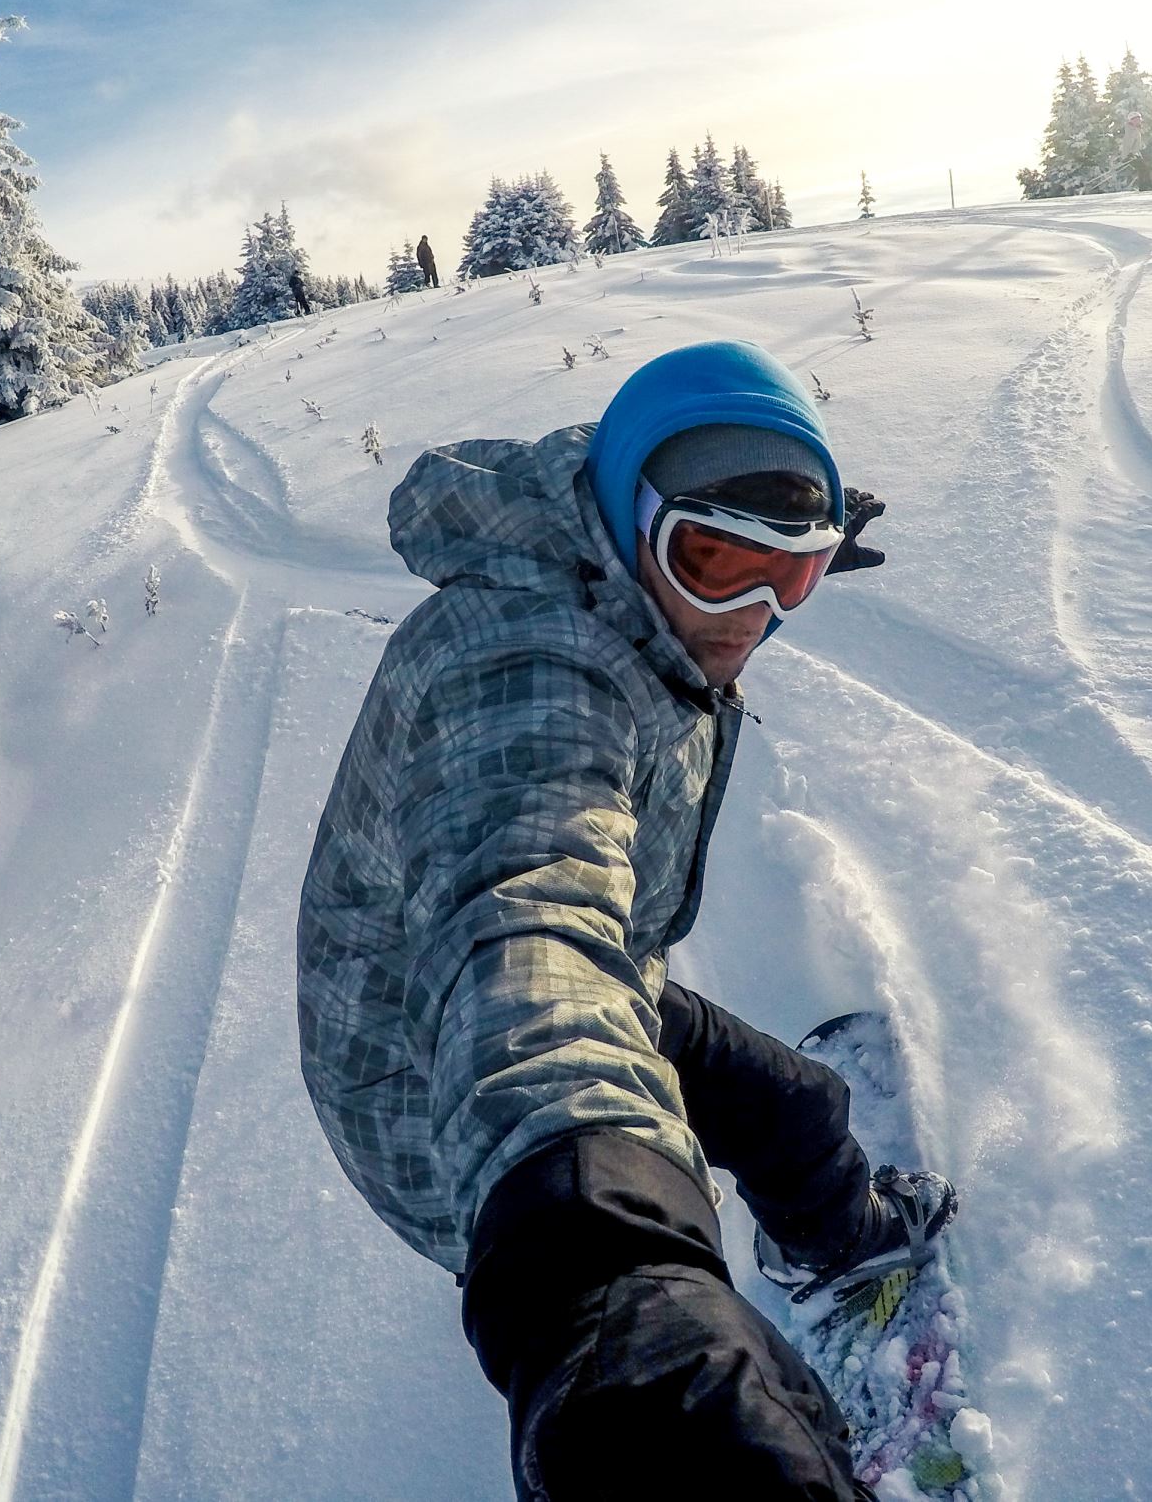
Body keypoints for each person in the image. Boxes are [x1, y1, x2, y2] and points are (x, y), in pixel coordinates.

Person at [298, 340, 954, 1500]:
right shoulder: (532, 665)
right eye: (711, 560)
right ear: (624, 519)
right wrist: (606, 1271)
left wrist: (763, 538)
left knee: (796, 1106)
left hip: (575, 983)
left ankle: (831, 1246)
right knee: (711, 1174)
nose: (750, 612)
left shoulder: (605, 567)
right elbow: (526, 914)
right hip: (452, 1077)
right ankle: (694, 1307)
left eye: (791, 575)